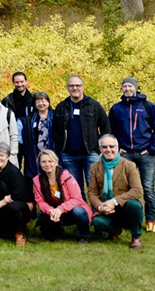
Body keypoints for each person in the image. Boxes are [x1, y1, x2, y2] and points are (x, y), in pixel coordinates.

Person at [108, 77, 155, 232]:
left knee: (147, 187)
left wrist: (151, 149)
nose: (127, 88)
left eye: (130, 86)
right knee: (121, 187)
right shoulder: (116, 108)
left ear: (136, 87)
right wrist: (117, 147)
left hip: (145, 154)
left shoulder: (148, 106)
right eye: (124, 86)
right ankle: (125, 219)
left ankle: (151, 219)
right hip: (124, 154)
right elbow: (111, 131)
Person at [52, 75, 110, 200]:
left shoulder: (94, 105)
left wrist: (100, 148)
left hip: (91, 154)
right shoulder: (61, 107)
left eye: (78, 85)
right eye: (71, 86)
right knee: (75, 188)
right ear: (67, 88)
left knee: (95, 186)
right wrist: (60, 150)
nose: (75, 88)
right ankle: (83, 215)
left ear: (83, 87)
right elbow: (55, 131)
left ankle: (98, 214)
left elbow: (105, 127)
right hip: (68, 155)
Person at [88, 134, 144, 249]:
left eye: (111, 146)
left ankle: (136, 236)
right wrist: (101, 207)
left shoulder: (129, 165)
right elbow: (92, 193)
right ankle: (115, 230)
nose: (108, 150)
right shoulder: (94, 167)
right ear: (100, 149)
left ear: (117, 147)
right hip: (107, 210)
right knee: (97, 222)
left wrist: (113, 202)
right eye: (104, 147)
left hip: (126, 207)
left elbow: (137, 190)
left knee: (135, 205)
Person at [32, 150, 92, 243]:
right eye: (43, 162)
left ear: (56, 162)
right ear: (40, 164)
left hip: (69, 211)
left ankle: (84, 235)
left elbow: (77, 199)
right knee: (41, 214)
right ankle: (56, 232)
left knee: (79, 211)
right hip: (53, 211)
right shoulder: (37, 180)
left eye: (50, 161)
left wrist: (60, 209)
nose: (47, 164)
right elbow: (40, 202)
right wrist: (51, 210)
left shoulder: (67, 177)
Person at [0, 142, 33, 247]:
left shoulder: (14, 172)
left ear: (7, 157)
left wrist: (0, 204)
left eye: (2, 155)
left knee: (13, 207)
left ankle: (20, 233)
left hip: (14, 208)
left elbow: (19, 195)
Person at [20, 92, 55, 179]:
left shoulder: (56, 116)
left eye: (43, 101)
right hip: (36, 154)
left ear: (48, 102)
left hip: (53, 153)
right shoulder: (30, 119)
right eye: (37, 102)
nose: (41, 104)